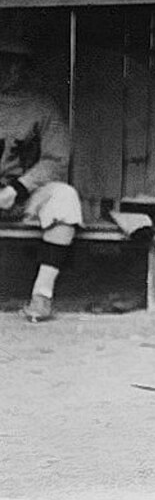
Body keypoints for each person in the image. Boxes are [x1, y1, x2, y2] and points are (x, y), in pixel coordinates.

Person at [0, 37, 84, 323]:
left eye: (12, 62)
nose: (6, 68)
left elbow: (57, 159)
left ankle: (42, 295)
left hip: (22, 197)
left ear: (23, 68)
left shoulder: (41, 106)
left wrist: (18, 188)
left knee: (65, 198)